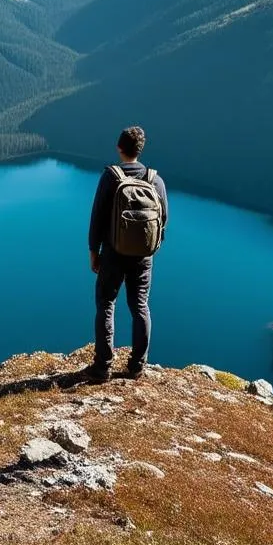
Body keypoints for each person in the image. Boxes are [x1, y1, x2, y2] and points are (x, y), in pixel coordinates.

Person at [85, 126, 169, 382]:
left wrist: (94, 251)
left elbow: (97, 218)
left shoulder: (111, 177)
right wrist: (150, 248)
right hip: (143, 256)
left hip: (113, 253)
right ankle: (137, 366)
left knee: (106, 304)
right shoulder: (155, 179)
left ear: (119, 148)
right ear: (140, 150)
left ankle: (103, 367)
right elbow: (163, 220)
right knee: (140, 306)